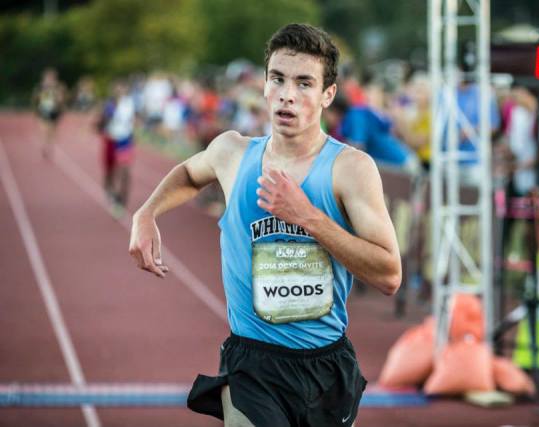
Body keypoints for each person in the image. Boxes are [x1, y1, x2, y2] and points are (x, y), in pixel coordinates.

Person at [128, 23, 402, 427]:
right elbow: (188, 174)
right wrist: (145, 213)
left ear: (328, 95)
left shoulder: (351, 170)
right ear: (265, 85)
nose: (288, 94)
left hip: (325, 367)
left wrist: (306, 215)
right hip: (252, 366)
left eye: (304, 83)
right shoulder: (232, 153)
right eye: (278, 79)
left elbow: (389, 275)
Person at [99, 81, 136, 215]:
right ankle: (110, 190)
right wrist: (104, 121)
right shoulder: (109, 105)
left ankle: (122, 199)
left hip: (125, 141)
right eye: (117, 88)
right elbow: (101, 123)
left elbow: (134, 119)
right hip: (111, 140)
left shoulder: (130, 104)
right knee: (110, 171)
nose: (120, 90)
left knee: (125, 171)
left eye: (122, 88)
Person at [33, 68, 66, 159]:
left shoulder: (58, 87)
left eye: (51, 77)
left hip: (54, 111)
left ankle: (49, 145)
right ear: (44, 78)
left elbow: (61, 100)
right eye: (48, 77)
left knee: (52, 131)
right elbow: (35, 98)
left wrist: (57, 97)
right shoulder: (40, 87)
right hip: (43, 110)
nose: (49, 79)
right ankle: (45, 145)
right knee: (44, 129)